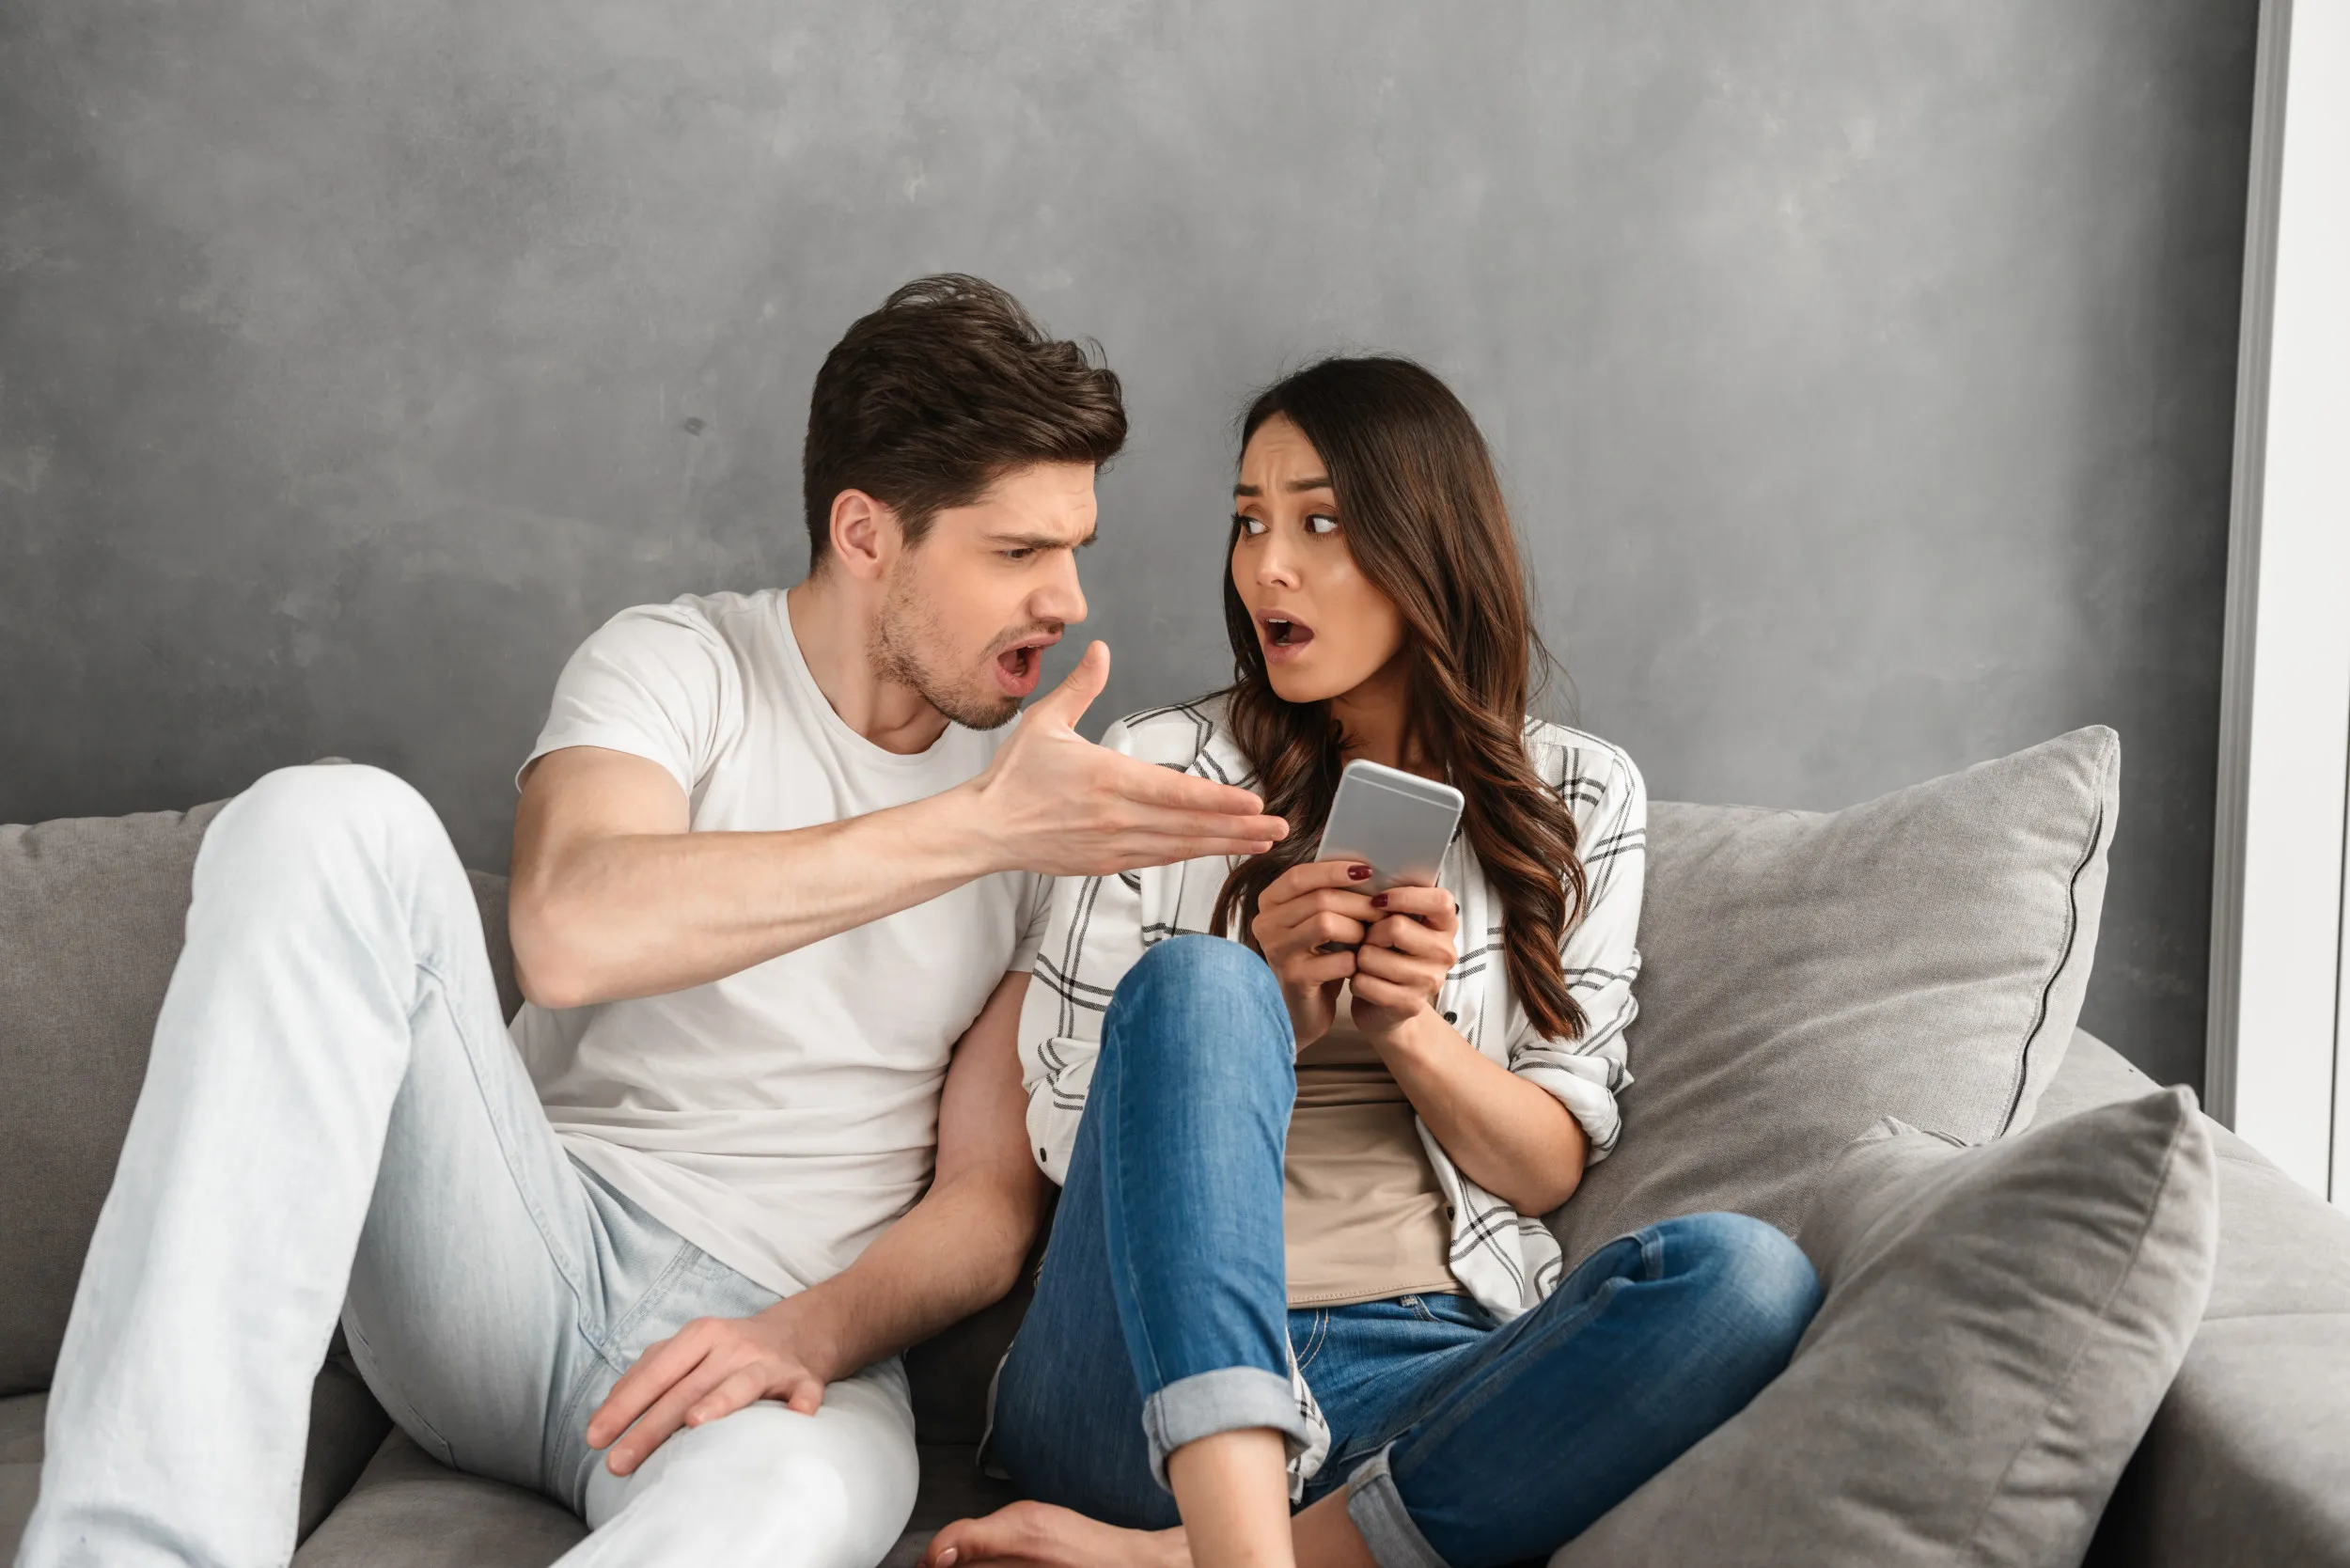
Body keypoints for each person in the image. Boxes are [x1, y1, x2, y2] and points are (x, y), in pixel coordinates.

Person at [15, 275, 1291, 1568]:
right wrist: (975, 829)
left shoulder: (1041, 812)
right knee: (321, 823)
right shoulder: (680, 666)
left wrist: (811, 1336)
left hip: (774, 1339)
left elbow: (986, 1203)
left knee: (792, 1511)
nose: (1067, 599)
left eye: (1073, 548)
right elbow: (570, 932)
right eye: (1016, 553)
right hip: (514, 1253)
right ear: (865, 536)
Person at [926, 357, 1824, 1568]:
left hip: (1417, 1371)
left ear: (1425, 545)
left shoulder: (1577, 793)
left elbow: (1551, 1160)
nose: (1266, 566)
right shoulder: (1156, 764)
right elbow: (1073, 1136)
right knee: (1205, 984)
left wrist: (1414, 1035)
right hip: (1132, 1381)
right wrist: (1272, 1007)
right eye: (1249, 520)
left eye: (1321, 521)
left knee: (1748, 1278)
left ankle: (1182, 1561)